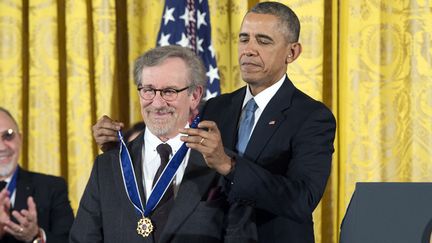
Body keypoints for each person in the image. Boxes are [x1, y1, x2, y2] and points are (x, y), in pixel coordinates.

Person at [93, 2, 336, 242]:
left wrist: (229, 165)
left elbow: (301, 200)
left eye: (263, 41)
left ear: (292, 52)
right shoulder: (215, 107)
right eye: (244, 39)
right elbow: (173, 160)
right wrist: (119, 149)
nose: (249, 50)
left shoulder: (312, 117)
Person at [71, 45, 256, 243]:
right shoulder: (108, 166)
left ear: (194, 96)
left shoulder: (224, 166)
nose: (158, 104)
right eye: (148, 90)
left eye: (169, 91)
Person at [0, 107, 74, 243]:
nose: (2, 147)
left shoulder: (52, 187)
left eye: (8, 135)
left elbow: (71, 240)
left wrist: (37, 236)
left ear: (20, 138)